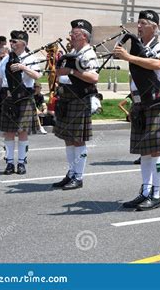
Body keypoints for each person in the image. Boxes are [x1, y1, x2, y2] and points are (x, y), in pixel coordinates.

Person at [114, 10, 160, 211]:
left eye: (143, 23)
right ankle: (145, 191)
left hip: (155, 103)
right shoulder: (140, 47)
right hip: (140, 103)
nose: (138, 26)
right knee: (145, 151)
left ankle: (156, 194)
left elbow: (156, 64)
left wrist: (128, 57)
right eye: (138, 23)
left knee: (155, 150)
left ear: (154, 26)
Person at [52, 19, 99, 190]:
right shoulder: (72, 51)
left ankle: (78, 177)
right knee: (68, 139)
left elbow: (94, 77)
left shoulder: (88, 53)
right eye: (71, 32)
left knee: (78, 140)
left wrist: (71, 71)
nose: (71, 35)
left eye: (75, 33)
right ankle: (71, 173)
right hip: (67, 99)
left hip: (79, 100)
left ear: (84, 37)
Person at [0, 31, 41, 175]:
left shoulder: (32, 58)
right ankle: (9, 163)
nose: (11, 43)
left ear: (23, 43)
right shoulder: (6, 58)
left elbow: (37, 75)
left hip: (24, 98)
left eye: (14, 41)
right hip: (8, 98)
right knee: (8, 132)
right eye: (11, 41)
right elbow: (1, 79)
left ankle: (21, 162)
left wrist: (23, 67)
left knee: (22, 132)